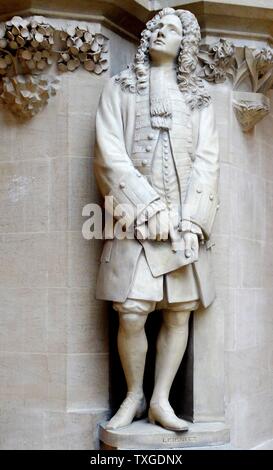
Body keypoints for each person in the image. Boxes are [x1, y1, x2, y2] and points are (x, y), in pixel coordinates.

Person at [94, 7, 219, 431]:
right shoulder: (121, 87)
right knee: (131, 311)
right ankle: (134, 394)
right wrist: (147, 206)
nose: (162, 33)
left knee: (178, 313)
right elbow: (108, 153)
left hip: (182, 224)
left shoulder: (199, 98)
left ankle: (162, 400)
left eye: (173, 30)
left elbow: (207, 162)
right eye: (157, 27)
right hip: (136, 218)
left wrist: (192, 220)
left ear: (186, 44)